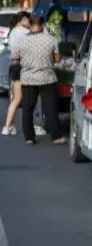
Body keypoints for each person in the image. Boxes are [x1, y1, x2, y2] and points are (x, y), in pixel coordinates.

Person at [11, 15, 63, 145]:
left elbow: (15, 59)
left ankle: (29, 137)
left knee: (28, 108)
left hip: (28, 79)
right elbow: (57, 59)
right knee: (50, 108)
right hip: (47, 77)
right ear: (42, 24)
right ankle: (56, 136)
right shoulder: (51, 40)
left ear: (29, 24)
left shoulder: (22, 41)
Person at [2, 11, 31, 136]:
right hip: (25, 66)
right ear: (23, 19)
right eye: (29, 21)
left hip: (15, 66)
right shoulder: (25, 32)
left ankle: (7, 127)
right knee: (30, 97)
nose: (30, 24)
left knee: (16, 98)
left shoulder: (12, 32)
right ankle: (32, 126)